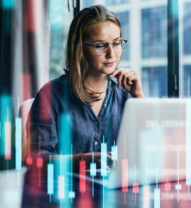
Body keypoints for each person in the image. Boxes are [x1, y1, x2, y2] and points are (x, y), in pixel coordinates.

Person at [27, 5, 144, 169]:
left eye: (116, 43)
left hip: (115, 192)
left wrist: (139, 97)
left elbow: (149, 152)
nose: (111, 53)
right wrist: (82, 161)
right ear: (79, 48)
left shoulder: (126, 96)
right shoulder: (50, 96)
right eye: (99, 45)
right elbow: (36, 160)